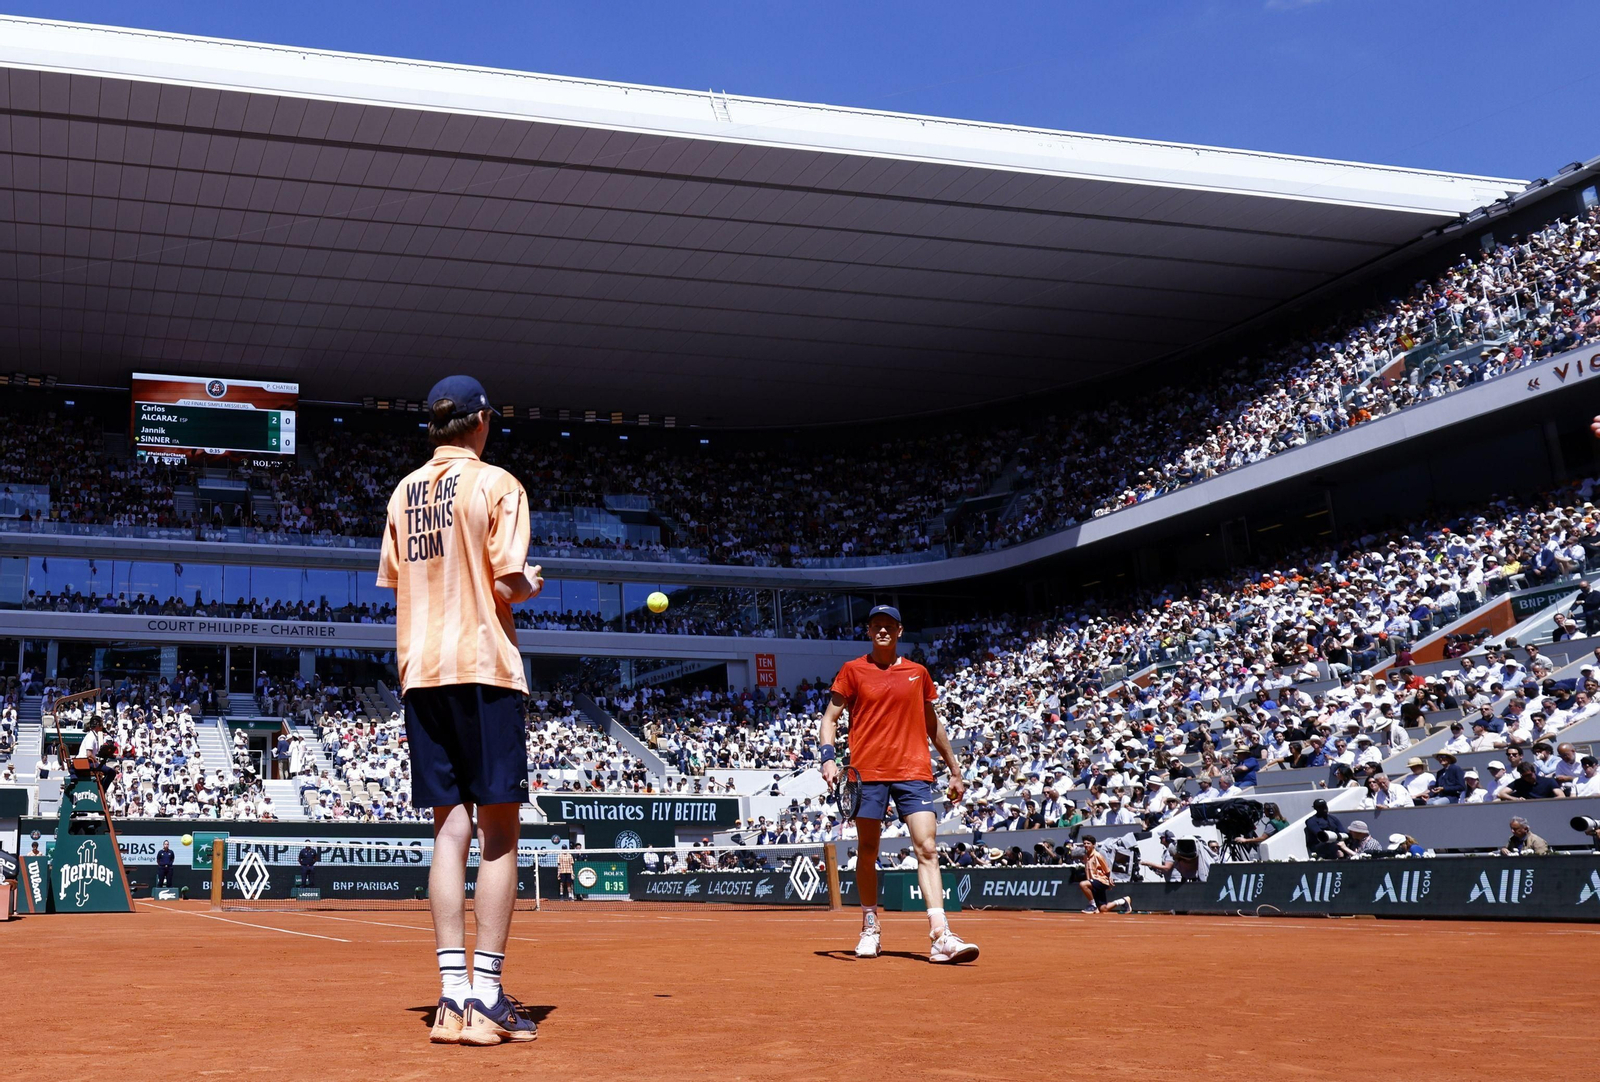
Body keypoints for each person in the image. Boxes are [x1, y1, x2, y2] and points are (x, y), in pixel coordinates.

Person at [378, 374, 543, 1046]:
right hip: (482, 666)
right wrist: (529, 583)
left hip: (422, 671)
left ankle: (449, 999)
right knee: (499, 829)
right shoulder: (498, 484)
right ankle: (488, 996)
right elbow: (507, 580)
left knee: (449, 826)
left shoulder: (402, 491)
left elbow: (399, 578)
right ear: (480, 422)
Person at [819, 605, 979, 964]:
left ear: (899, 631)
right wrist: (828, 757)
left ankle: (940, 934)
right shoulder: (852, 670)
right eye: (876, 625)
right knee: (868, 851)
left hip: (914, 772)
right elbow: (830, 718)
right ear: (869, 631)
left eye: (888, 626)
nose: (882, 631)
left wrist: (954, 768)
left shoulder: (918, 673)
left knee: (927, 848)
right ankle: (870, 927)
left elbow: (932, 724)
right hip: (867, 774)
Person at [1077, 835, 1131, 913]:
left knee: (1083, 884)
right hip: (1093, 883)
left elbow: (1107, 869)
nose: (1086, 845)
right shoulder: (1085, 857)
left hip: (1101, 881)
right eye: (1084, 843)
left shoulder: (1098, 855)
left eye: (1088, 843)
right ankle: (1123, 901)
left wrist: (1110, 879)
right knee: (1103, 909)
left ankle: (1092, 905)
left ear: (1094, 845)